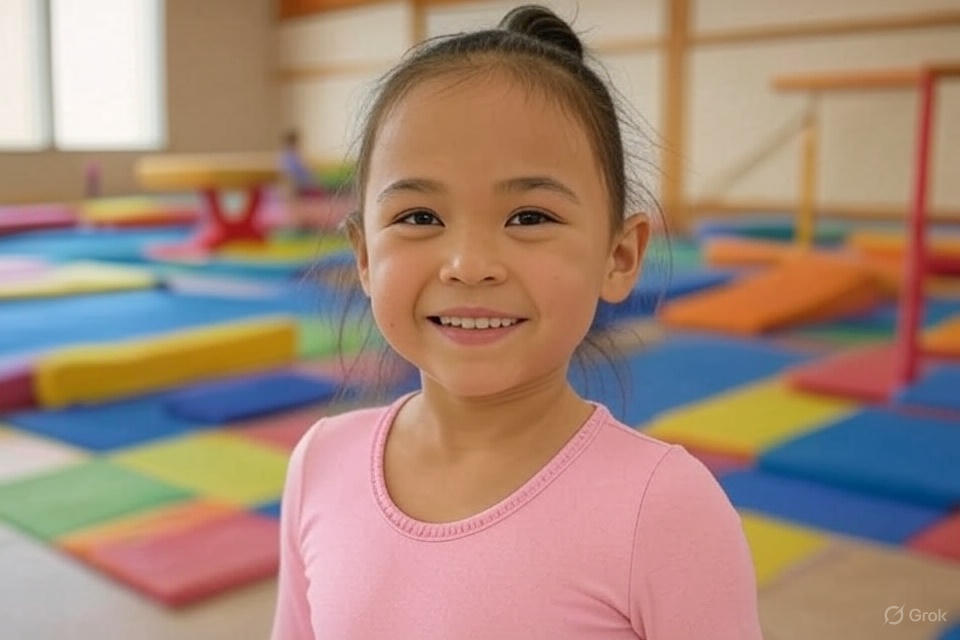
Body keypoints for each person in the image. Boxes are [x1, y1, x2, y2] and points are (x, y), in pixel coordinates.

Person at [271, 5, 764, 638]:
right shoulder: (320, 465)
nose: (469, 265)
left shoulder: (663, 509)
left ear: (620, 256)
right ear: (365, 256)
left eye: (529, 217)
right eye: (419, 217)